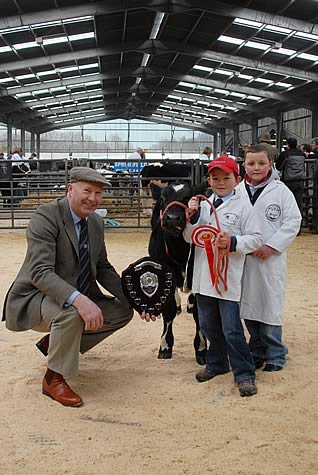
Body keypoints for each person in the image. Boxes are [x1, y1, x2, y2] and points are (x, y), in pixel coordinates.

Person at [2, 167, 133, 407]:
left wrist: (133, 298)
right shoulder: (46, 216)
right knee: (72, 312)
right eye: (87, 191)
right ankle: (53, 379)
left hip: (72, 296)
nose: (93, 198)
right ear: (70, 189)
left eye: (98, 193)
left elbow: (102, 266)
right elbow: (40, 272)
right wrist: (79, 300)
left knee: (122, 311)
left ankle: (56, 344)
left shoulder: (95, 222)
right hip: (37, 296)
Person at [184, 155, 263, 397]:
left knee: (231, 328)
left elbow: (257, 238)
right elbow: (190, 238)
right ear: (208, 180)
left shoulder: (245, 206)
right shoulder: (204, 205)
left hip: (227, 277)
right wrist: (193, 218)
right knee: (208, 324)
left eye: (226, 178)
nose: (220, 182)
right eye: (215, 178)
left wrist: (233, 241)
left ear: (237, 179)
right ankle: (217, 364)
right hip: (204, 276)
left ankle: (244, 373)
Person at [237, 144, 301, 372]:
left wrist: (271, 246)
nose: (256, 167)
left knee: (270, 306)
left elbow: (293, 222)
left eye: (261, 163)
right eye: (251, 163)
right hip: (244, 258)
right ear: (244, 164)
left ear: (270, 164)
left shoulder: (281, 191)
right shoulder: (238, 191)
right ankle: (256, 350)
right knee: (248, 306)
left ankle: (276, 354)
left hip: (269, 260)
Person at [276, 138, 305, 231]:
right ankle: (299, 228)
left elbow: (279, 167)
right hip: (300, 180)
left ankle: (287, 227)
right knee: (298, 203)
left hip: (288, 181)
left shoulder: (285, 154)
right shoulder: (302, 154)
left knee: (286, 205)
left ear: (288, 144)